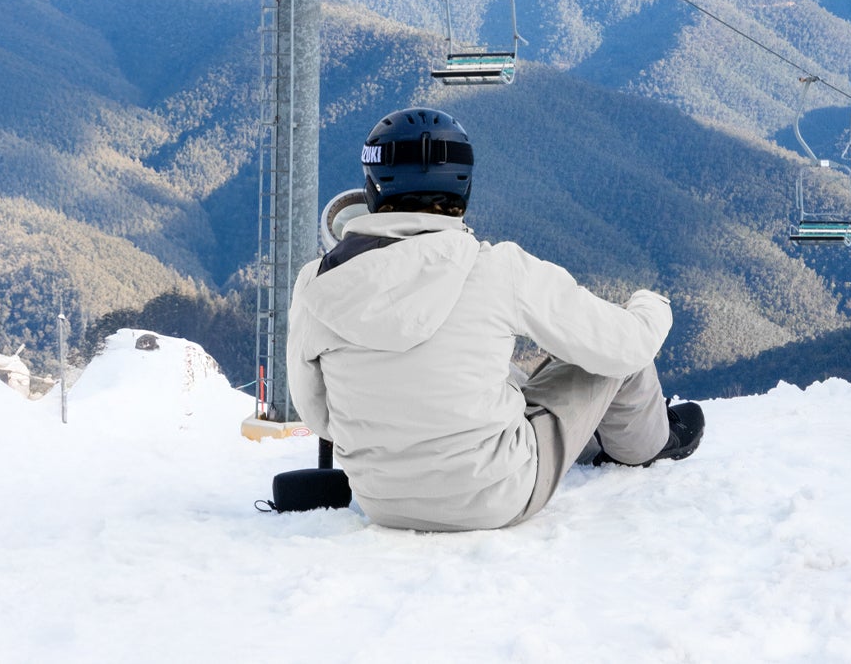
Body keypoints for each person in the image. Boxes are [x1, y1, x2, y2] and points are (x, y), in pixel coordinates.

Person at [287, 106, 703, 531]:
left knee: (500, 372)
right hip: (496, 495)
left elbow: (320, 416)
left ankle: (590, 434)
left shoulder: (316, 284)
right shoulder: (497, 268)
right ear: (462, 186)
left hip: (383, 502)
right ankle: (648, 444)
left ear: (372, 185)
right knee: (607, 351)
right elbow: (626, 348)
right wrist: (651, 303)